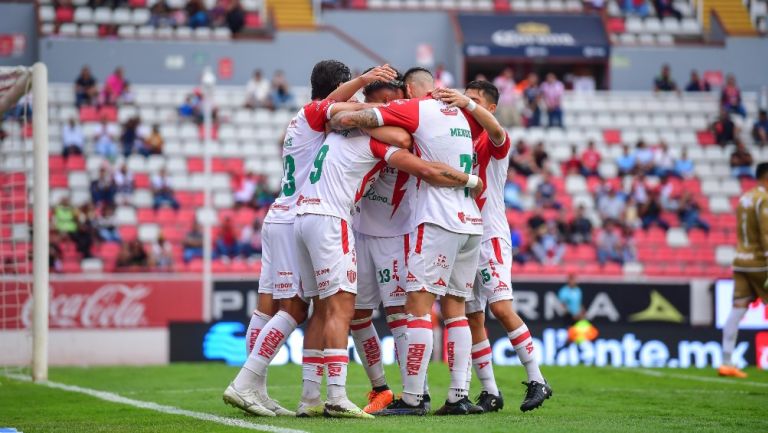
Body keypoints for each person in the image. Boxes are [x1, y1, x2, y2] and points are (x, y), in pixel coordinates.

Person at [224, 62, 399, 419]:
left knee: (272, 308)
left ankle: (269, 390)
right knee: (296, 310)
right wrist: (378, 98)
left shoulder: (303, 120)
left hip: (283, 215)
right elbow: (343, 112)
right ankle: (247, 381)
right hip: (296, 218)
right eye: (348, 85)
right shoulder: (317, 112)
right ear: (340, 86)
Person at [330, 67, 488, 416]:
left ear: (410, 90)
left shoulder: (416, 110)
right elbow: (495, 132)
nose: (396, 101)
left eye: (399, 94)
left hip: (422, 224)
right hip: (463, 219)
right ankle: (453, 394)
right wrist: (470, 106)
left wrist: (337, 116)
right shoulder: (459, 113)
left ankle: (416, 396)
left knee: (412, 310)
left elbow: (383, 128)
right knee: (452, 309)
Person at [434, 81, 551, 413]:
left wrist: (468, 106)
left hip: (490, 236)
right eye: (464, 98)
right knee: (473, 316)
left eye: (473, 100)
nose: (464, 104)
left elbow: (498, 131)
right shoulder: (458, 139)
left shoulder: (493, 138)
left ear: (490, 106)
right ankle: (490, 391)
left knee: (501, 308)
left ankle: (538, 379)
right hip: (462, 234)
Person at [720, 162, 768, 378]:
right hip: (760, 261)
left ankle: (726, 362)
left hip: (740, 259)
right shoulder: (764, 199)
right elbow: (765, 233)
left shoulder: (744, 198)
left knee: (737, 310)